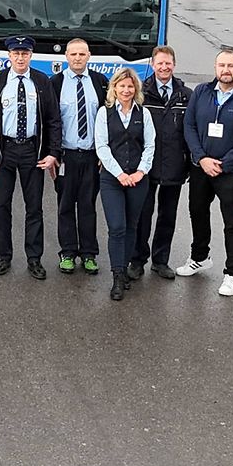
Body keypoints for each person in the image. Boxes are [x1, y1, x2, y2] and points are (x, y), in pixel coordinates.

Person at [181, 47, 233, 298]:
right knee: (197, 211)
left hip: (232, 172)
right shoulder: (201, 92)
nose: (226, 70)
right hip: (201, 167)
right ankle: (199, 257)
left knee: (232, 221)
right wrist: (201, 158)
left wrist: (223, 163)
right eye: (222, 66)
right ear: (215, 68)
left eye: (231, 66)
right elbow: (189, 125)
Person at [0, 36, 60, 280]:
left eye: (25, 53)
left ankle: (34, 258)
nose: (20, 57)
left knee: (34, 207)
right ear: (9, 56)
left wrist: (53, 153)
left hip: (32, 151)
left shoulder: (41, 81)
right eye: (16, 53)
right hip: (4, 151)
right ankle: (4, 256)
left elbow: (53, 120)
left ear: (31, 55)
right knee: (2, 206)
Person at [50, 38, 109, 276]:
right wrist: (53, 155)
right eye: (73, 54)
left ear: (89, 56)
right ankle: (67, 252)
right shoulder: (55, 83)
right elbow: (51, 122)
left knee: (87, 205)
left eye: (81, 54)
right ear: (66, 56)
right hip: (66, 156)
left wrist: (105, 154)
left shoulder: (100, 82)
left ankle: (88, 254)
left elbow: (107, 120)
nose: (77, 58)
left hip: (92, 156)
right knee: (65, 205)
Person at [95, 68, 154, 302]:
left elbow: (150, 145)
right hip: (112, 179)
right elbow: (101, 146)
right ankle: (117, 275)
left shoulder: (145, 114)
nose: (126, 90)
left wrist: (141, 171)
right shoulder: (104, 113)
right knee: (117, 227)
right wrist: (120, 174)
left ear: (136, 89)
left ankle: (126, 267)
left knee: (132, 226)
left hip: (138, 178)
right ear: (114, 89)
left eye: (130, 86)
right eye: (122, 86)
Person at [131, 47, 190, 280]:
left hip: (175, 166)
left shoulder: (186, 95)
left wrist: (188, 163)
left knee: (168, 216)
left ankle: (161, 260)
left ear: (174, 65)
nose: (164, 67)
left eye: (168, 63)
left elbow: (190, 131)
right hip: (146, 166)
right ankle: (137, 260)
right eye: (160, 63)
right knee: (142, 214)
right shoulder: (140, 93)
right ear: (153, 65)